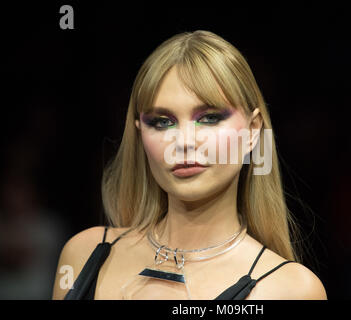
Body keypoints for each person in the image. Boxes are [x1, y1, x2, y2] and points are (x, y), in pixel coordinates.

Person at [52, 30, 327, 300]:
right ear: (140, 134)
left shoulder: (290, 290)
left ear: (253, 130)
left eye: (209, 118)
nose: (184, 142)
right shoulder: (83, 254)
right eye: (162, 121)